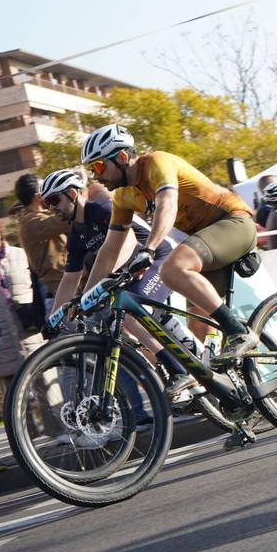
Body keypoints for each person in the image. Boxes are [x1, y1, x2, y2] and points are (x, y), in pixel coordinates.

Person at [81, 124, 261, 366]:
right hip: (205, 241)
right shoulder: (123, 197)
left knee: (172, 269)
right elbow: (110, 249)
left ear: (122, 157)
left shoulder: (157, 162)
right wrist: (86, 298)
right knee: (199, 324)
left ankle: (239, 332)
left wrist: (149, 249)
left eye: (98, 166)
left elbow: (167, 204)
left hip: (233, 221)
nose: (95, 175)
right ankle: (238, 387)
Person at [38, 169, 199, 402]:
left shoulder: (101, 209)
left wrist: (107, 282)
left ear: (72, 194)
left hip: (158, 260)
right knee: (118, 320)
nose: (51, 208)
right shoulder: (76, 234)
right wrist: (54, 321)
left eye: (54, 200)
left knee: (127, 313)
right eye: (46, 203)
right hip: (132, 274)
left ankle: (177, 370)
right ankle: (185, 365)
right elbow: (70, 279)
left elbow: (127, 243)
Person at [0, 219, 39, 421]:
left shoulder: (19, 254)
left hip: (27, 326)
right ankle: (26, 437)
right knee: (13, 393)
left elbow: (35, 284)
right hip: (2, 336)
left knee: (43, 378)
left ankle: (58, 431)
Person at [13, 173, 68, 307]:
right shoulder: (31, 222)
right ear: (38, 197)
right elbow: (67, 221)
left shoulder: (38, 217)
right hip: (59, 288)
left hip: (65, 284)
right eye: (46, 189)